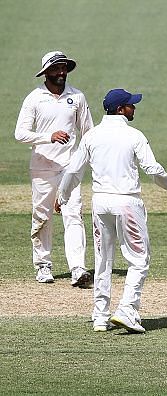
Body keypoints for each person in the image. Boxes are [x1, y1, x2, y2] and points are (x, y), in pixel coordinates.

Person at [55, 88, 167, 333]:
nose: (134, 108)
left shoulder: (92, 136)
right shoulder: (133, 135)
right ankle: (127, 309)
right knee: (139, 260)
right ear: (120, 109)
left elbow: (74, 171)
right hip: (127, 202)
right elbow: (153, 169)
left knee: (102, 260)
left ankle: (100, 317)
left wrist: (62, 196)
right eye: (130, 105)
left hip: (101, 203)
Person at [14, 51, 93, 286]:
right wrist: (49, 136)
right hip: (42, 167)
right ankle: (43, 265)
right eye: (56, 69)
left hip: (70, 167)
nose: (61, 73)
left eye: (64, 68)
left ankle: (78, 268)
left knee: (73, 215)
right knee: (42, 216)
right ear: (45, 72)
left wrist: (86, 161)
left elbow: (88, 132)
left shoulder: (77, 97)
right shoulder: (34, 98)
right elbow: (20, 134)